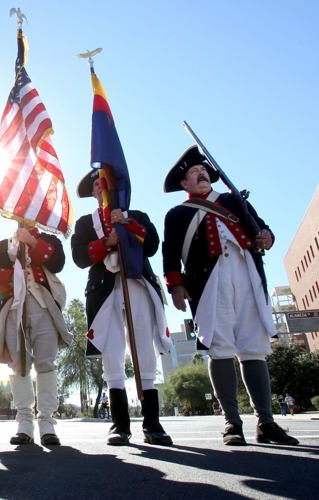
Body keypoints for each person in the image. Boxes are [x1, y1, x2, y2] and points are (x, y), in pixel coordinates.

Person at [162, 146, 298, 446]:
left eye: (202, 170)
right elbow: (170, 254)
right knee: (220, 346)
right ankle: (232, 423)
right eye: (192, 173)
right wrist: (176, 285)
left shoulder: (234, 201)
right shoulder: (178, 214)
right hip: (209, 283)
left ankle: (266, 421)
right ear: (184, 185)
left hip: (247, 274)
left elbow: (262, 229)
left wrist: (267, 236)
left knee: (254, 346)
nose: (201, 174)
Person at [71, 169, 173, 446]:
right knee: (112, 354)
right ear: (93, 193)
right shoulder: (84, 223)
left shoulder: (136, 216)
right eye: (96, 184)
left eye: (106, 182)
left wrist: (127, 224)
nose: (101, 187)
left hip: (137, 283)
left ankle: (153, 424)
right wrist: (107, 242)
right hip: (105, 291)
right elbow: (79, 257)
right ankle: (119, 425)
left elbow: (151, 245)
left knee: (144, 352)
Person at [0, 224, 72, 445]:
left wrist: (31, 242)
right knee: (18, 363)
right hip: (13, 310)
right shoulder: (3, 246)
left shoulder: (51, 240)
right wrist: (11, 277)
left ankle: (47, 423)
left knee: (46, 363)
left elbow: (58, 262)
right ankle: (24, 422)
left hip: (44, 308)